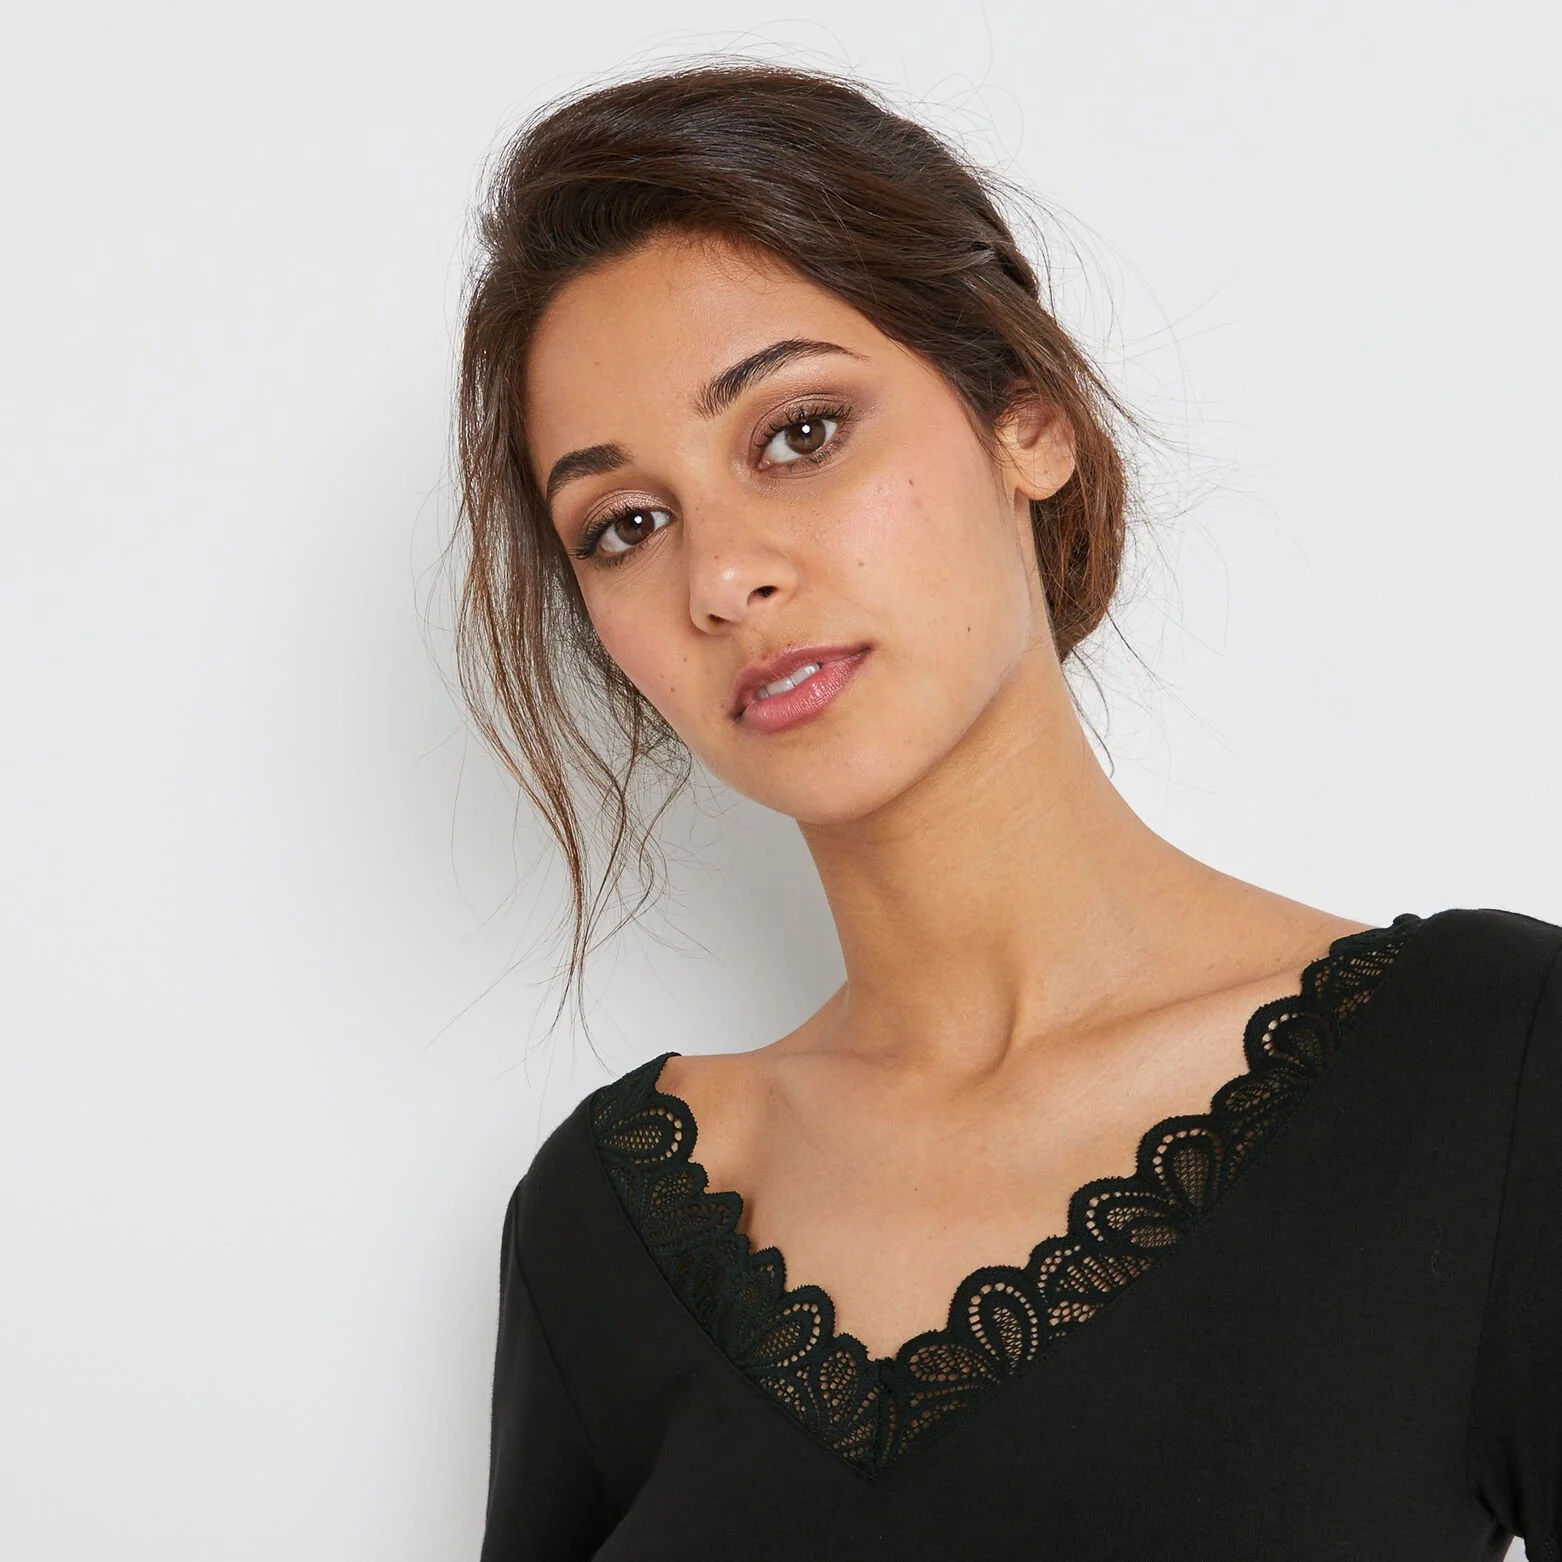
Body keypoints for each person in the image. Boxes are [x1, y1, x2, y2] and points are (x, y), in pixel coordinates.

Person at [454, 60, 1562, 1561]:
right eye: (625, 524)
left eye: (797, 433)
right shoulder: (604, 1224)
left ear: (1026, 420)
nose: (721, 577)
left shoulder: (1489, 1071)